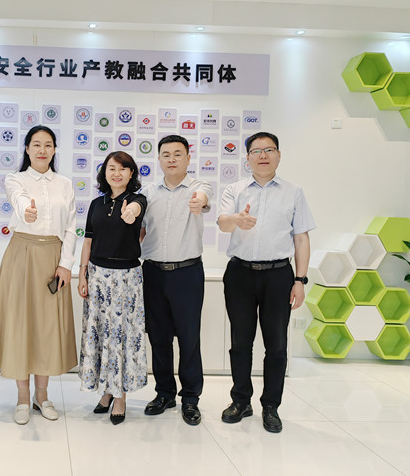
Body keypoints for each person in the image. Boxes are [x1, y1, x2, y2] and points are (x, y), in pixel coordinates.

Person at [217, 131, 315, 433]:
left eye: (269, 150)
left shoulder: (293, 192)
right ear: (247, 158)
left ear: (278, 155)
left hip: (278, 276)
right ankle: (241, 401)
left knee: (277, 346)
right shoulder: (234, 189)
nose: (263, 155)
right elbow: (222, 223)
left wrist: (300, 280)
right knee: (240, 343)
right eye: (256, 151)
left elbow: (301, 238)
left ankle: (271, 406)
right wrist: (237, 220)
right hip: (240, 274)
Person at [0, 125, 77, 425]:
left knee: (46, 327)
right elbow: (19, 198)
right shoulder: (16, 179)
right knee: (21, 324)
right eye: (36, 144)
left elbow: (71, 227)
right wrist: (27, 210)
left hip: (53, 257)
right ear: (27, 149)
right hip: (22, 254)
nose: (42, 150)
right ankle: (23, 398)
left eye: (48, 145)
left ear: (54, 150)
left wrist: (66, 264)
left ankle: (43, 396)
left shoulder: (65, 183)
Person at [140, 135, 213, 425]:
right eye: (166, 154)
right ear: (159, 159)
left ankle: (191, 398)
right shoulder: (148, 192)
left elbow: (203, 200)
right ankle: (164, 393)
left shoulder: (199, 187)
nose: (171, 159)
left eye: (178, 154)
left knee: (189, 337)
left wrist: (199, 203)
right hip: (153, 273)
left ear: (187, 158)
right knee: (158, 337)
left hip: (187, 273)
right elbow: (140, 229)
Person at [77, 151, 148, 425]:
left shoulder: (138, 200)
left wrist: (130, 212)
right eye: (111, 168)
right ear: (104, 173)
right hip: (97, 276)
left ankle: (120, 397)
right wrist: (82, 274)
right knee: (101, 334)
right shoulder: (96, 204)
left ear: (131, 173)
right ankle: (106, 391)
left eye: (122, 169)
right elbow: (88, 241)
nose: (116, 173)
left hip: (126, 279)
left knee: (122, 336)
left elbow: (135, 211)